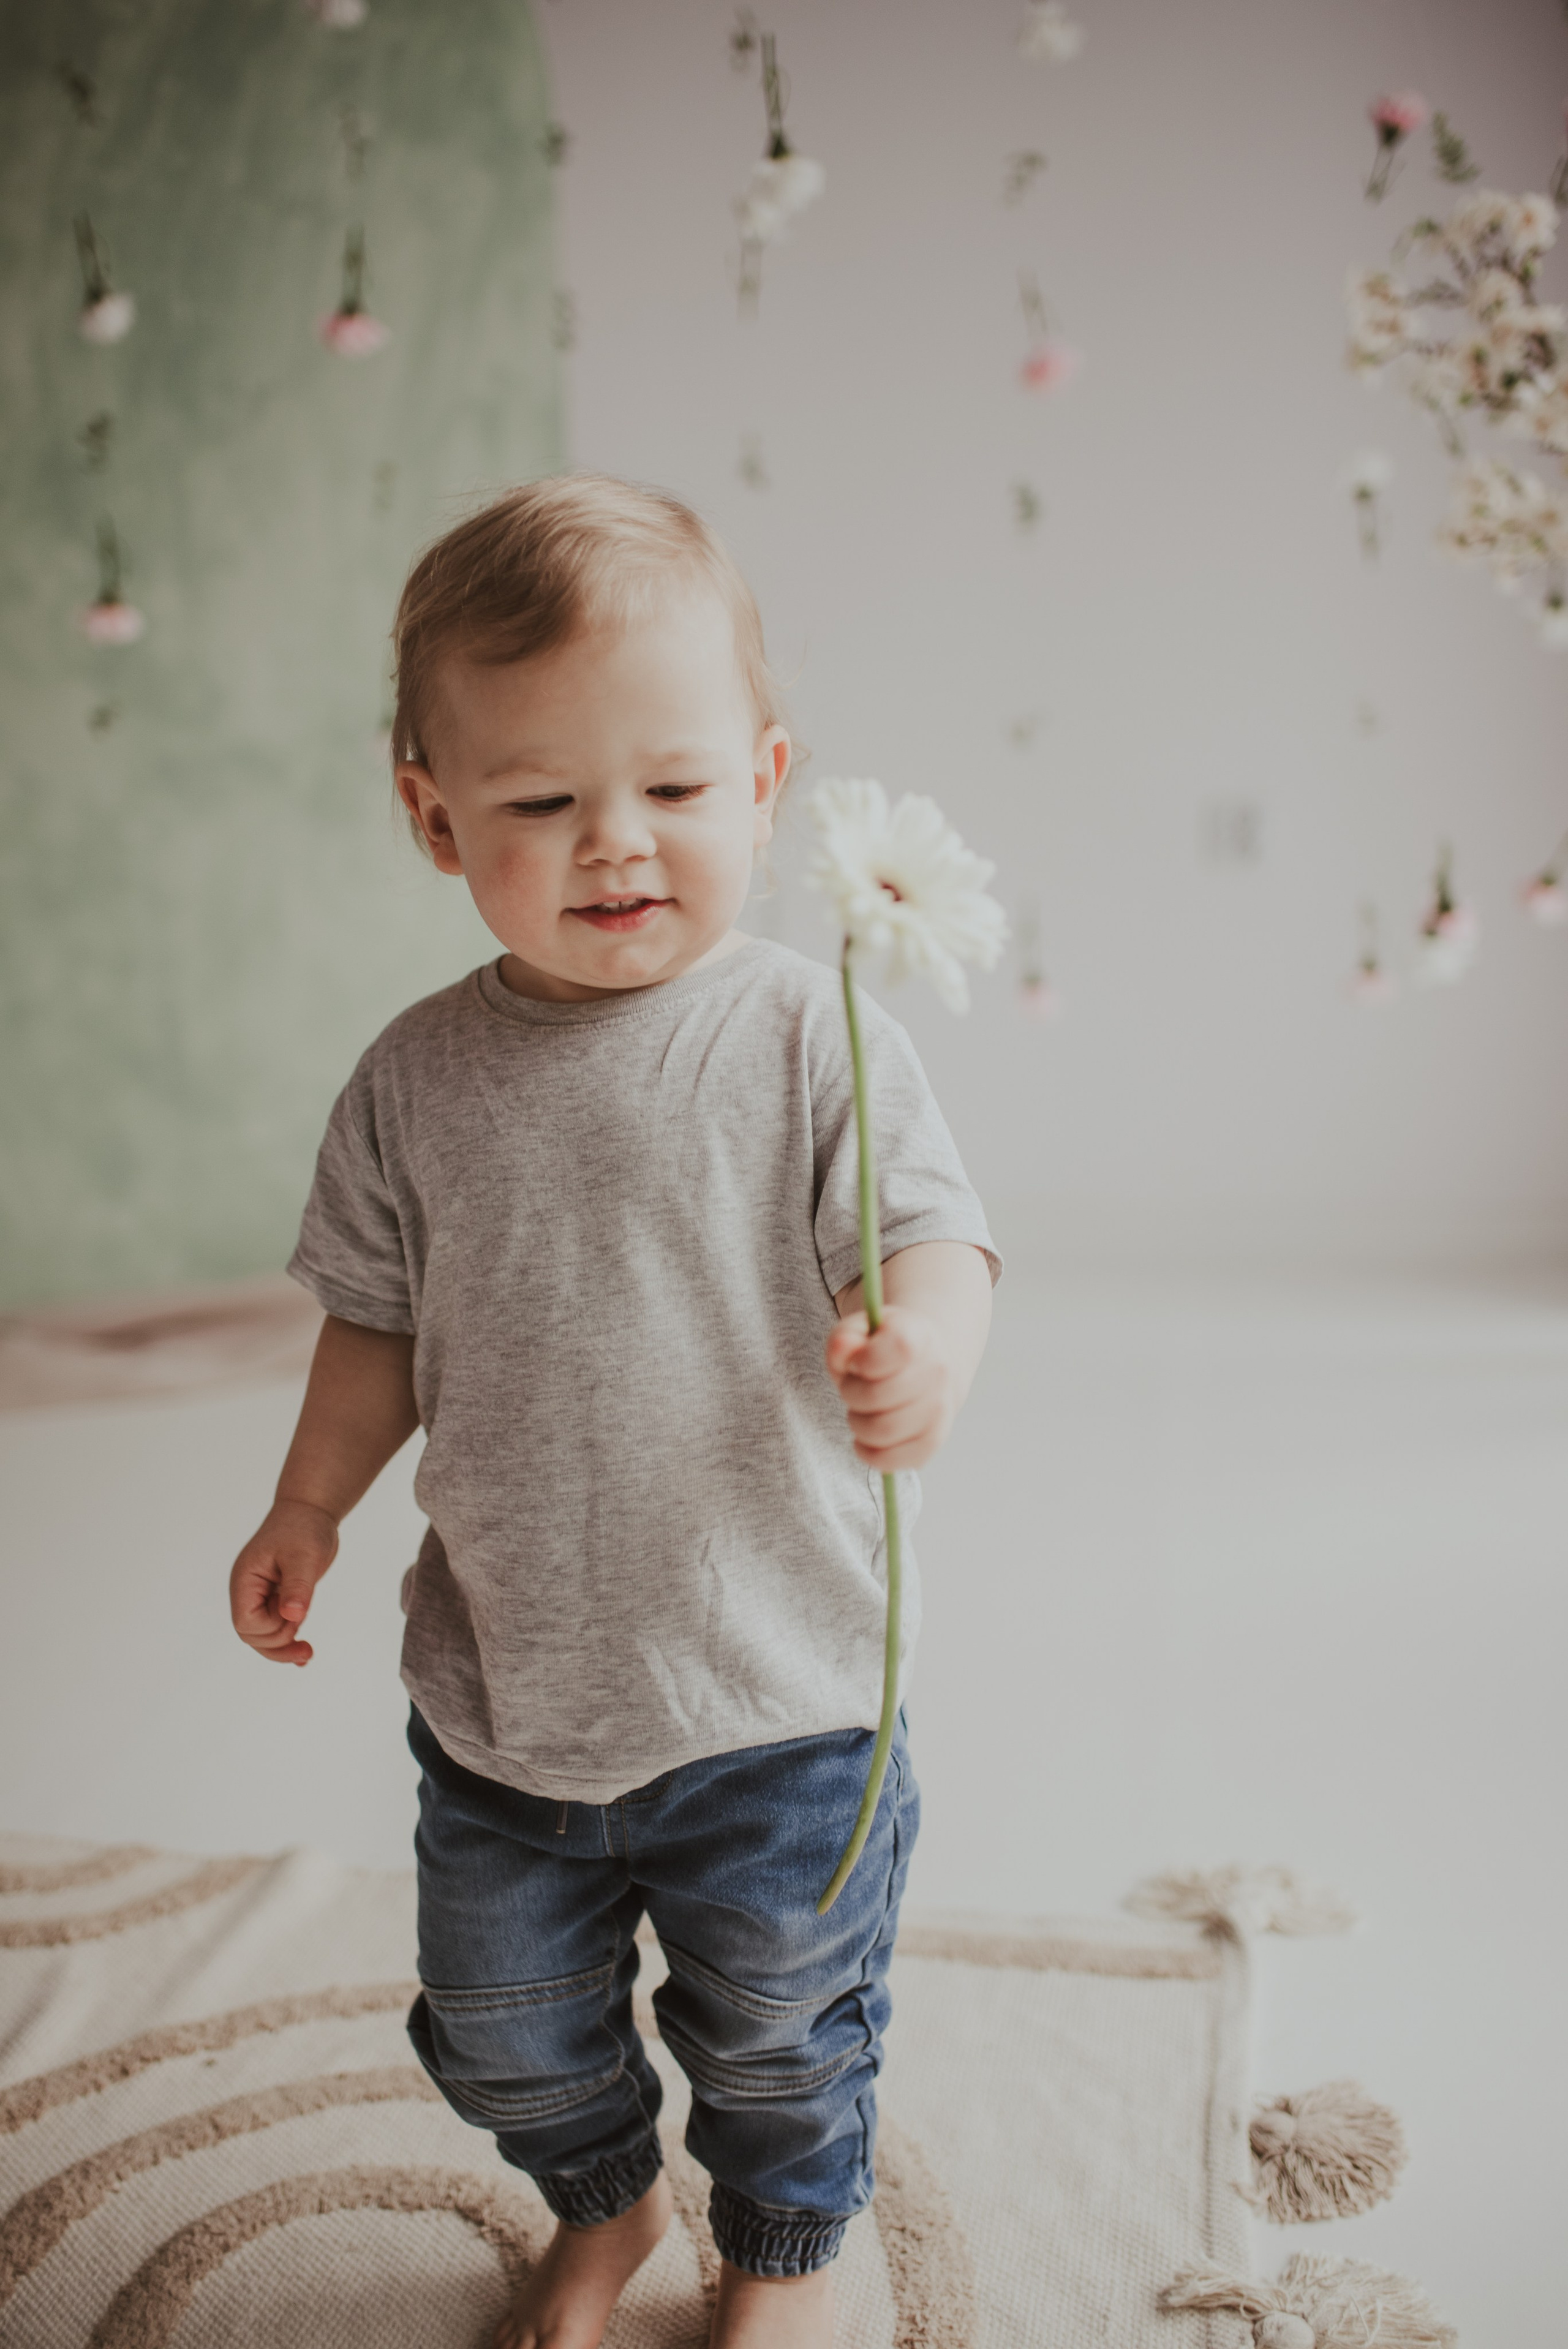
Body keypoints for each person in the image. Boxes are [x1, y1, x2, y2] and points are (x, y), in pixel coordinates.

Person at [228, 475, 998, 2349]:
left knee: (778, 2014)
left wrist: (928, 1346)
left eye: (670, 786)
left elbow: (933, 1233)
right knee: (495, 2008)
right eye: (541, 801)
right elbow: (374, 1326)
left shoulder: (808, 1033)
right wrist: (311, 1503)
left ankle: (788, 2257)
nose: (615, 843)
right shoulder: (416, 1079)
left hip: (780, 1693)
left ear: (765, 775)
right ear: (433, 819)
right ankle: (604, 2195)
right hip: (509, 1694)